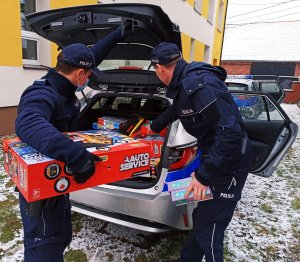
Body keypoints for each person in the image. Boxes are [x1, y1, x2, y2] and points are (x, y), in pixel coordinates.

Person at [15, 20, 134, 262]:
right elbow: (27, 123)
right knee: (45, 248)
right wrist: (77, 155)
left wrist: (117, 34)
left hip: (56, 185)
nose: (90, 78)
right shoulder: (43, 92)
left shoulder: (65, 84)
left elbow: (91, 56)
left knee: (60, 238)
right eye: (89, 74)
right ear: (80, 74)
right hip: (41, 193)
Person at [148, 42, 253, 262]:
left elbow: (230, 132)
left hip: (230, 164)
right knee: (202, 217)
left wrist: (203, 176)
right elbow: (179, 108)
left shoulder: (199, 85)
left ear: (160, 68)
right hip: (213, 157)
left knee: (210, 228)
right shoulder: (184, 83)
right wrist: (154, 127)